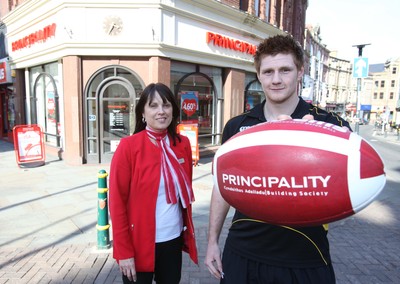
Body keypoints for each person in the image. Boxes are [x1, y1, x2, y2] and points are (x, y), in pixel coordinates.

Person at [204, 35, 351, 284]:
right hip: (242, 253)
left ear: (300, 71)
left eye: (285, 70)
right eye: (268, 71)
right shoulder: (238, 126)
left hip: (304, 256)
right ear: (258, 75)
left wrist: (312, 147)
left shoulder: (330, 126)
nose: (276, 79)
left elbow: (348, 188)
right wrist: (212, 242)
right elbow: (222, 186)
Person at [109, 83, 198, 284]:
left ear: (173, 110)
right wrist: (123, 252)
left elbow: (184, 194)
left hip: (172, 238)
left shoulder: (182, 144)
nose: (161, 111)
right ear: (142, 112)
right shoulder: (129, 147)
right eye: (153, 105)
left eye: (166, 105)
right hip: (139, 242)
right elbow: (116, 204)